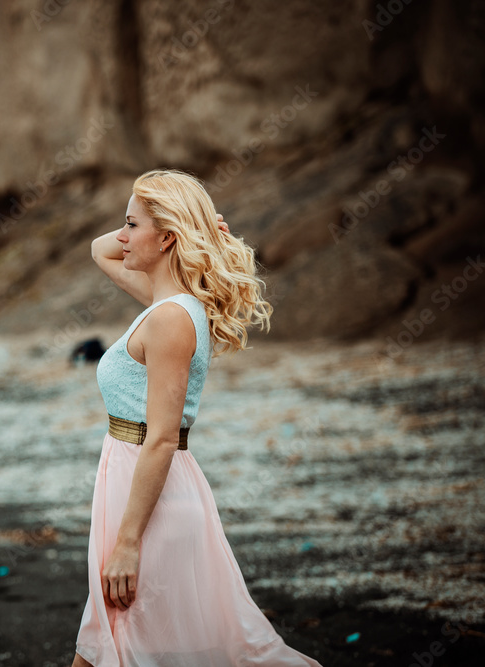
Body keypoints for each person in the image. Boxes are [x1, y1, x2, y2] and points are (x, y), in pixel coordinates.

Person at [72, 169, 323, 667]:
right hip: (135, 485)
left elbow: (163, 438)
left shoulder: (170, 318)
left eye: (132, 225)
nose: (121, 237)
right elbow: (100, 251)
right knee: (110, 644)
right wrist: (179, 222)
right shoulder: (167, 304)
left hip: (151, 498)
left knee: (120, 646)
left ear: (166, 238)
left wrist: (127, 542)